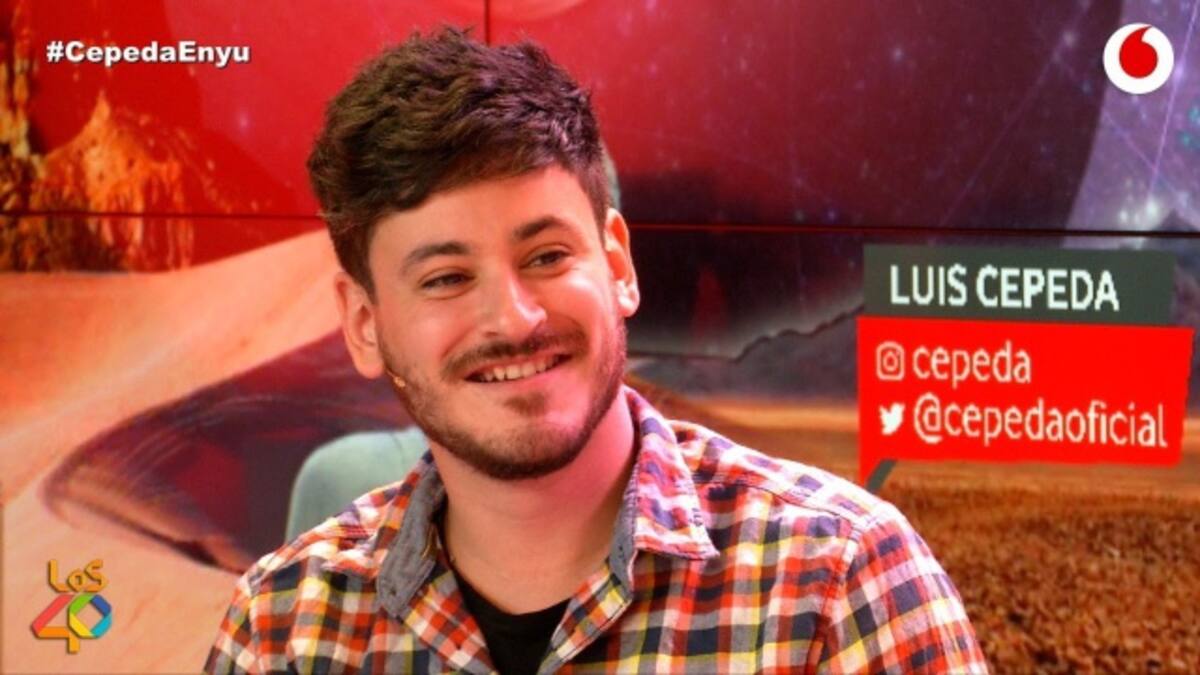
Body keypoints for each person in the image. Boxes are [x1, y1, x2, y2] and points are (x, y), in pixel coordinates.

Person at [205, 27, 987, 674]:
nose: (514, 317)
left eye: (547, 256)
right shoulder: (284, 628)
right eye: (446, 277)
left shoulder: (841, 581)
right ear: (364, 324)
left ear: (617, 264)